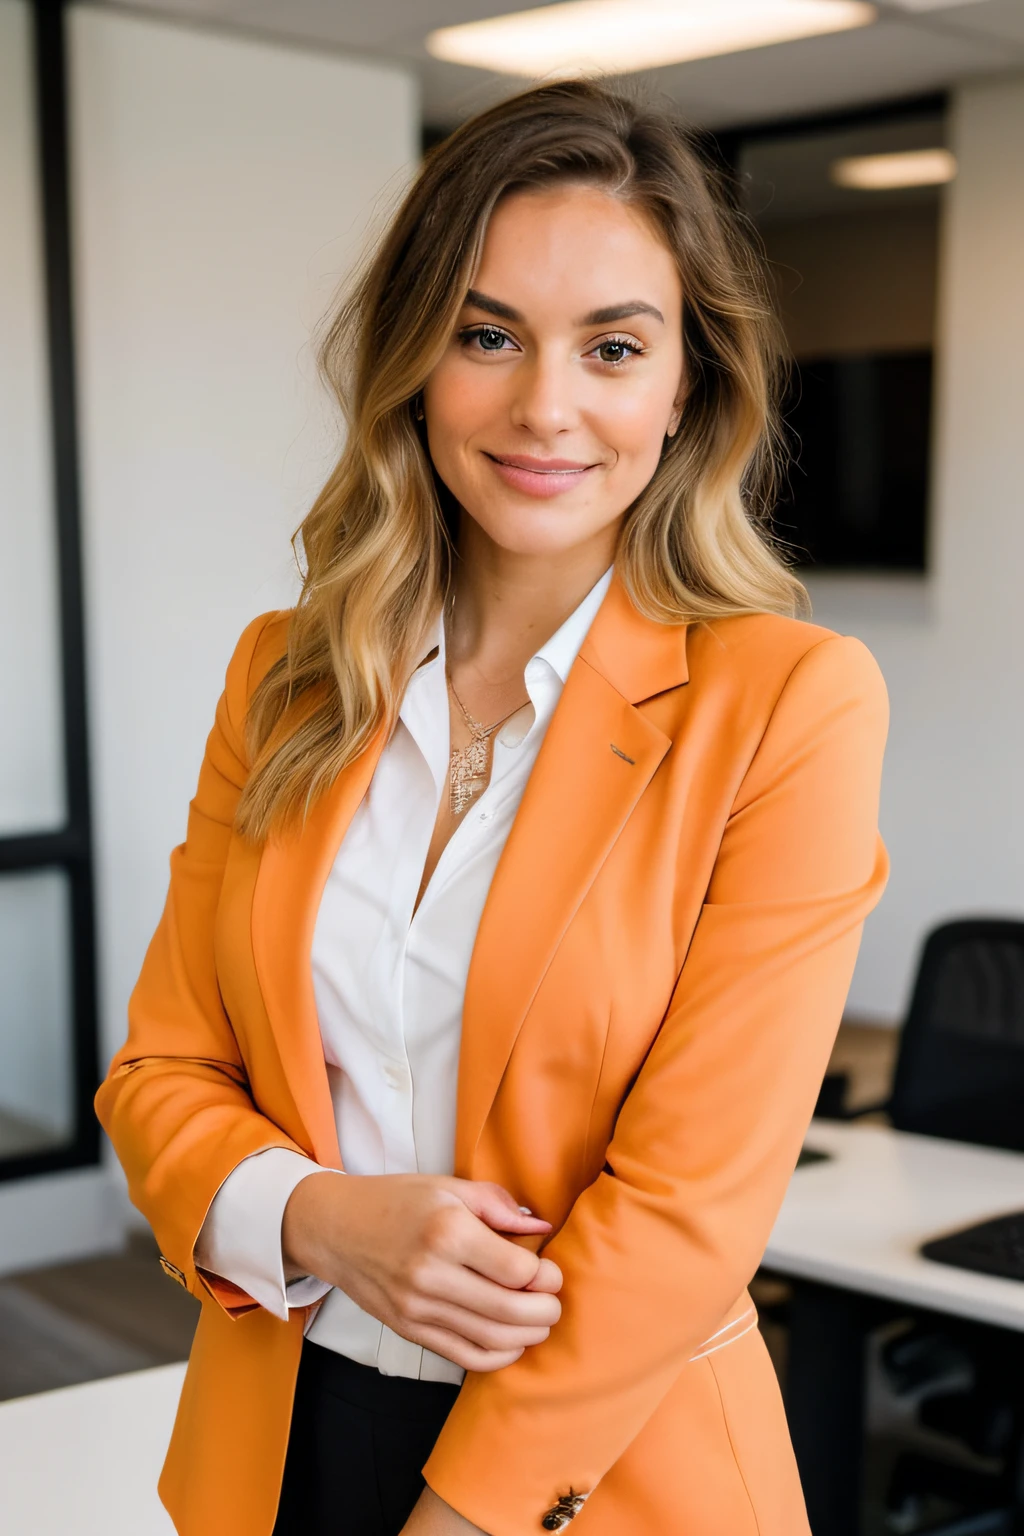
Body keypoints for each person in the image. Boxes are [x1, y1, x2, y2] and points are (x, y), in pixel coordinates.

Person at [96, 79, 888, 1536]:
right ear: (415, 361)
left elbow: (688, 1211)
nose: (546, 406)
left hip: (602, 1472)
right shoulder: (285, 677)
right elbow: (159, 1079)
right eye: (487, 335)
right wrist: (318, 1216)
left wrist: (458, 1520)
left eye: (612, 347)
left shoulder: (789, 701)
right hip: (286, 1438)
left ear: (683, 388)